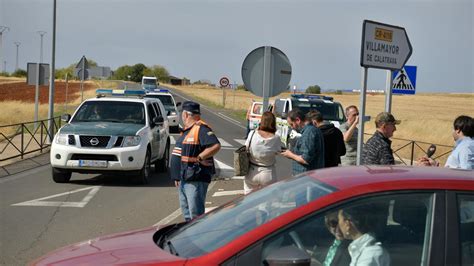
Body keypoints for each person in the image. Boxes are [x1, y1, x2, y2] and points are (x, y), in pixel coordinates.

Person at [170, 101, 221, 221]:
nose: (182, 116)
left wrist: (200, 157)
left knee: (195, 215)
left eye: (182, 114)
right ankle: (190, 237)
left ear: (186, 115)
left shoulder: (201, 129)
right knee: (187, 214)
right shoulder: (188, 130)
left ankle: (198, 238)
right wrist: (177, 176)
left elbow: (215, 145)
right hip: (185, 178)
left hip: (195, 178)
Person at [244, 111, 281, 194]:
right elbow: (277, 151)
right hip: (268, 172)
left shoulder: (252, 134)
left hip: (252, 171)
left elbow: (246, 148)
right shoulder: (276, 138)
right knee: (266, 199)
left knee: (248, 199)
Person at [281, 108, 325, 175]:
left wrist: (290, 155)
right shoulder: (312, 130)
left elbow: (305, 160)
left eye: (292, 124)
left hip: (306, 176)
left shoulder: (309, 132)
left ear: (298, 120)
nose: (292, 127)